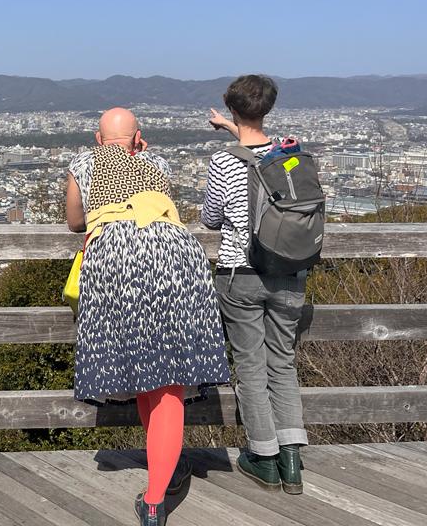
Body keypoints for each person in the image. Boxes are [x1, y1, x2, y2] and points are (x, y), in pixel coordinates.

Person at [65, 108, 230, 526]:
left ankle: (156, 494)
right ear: (139, 138)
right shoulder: (157, 163)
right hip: (175, 257)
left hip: (115, 260)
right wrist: (140, 152)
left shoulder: (83, 163)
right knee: (167, 381)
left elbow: (74, 222)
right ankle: (161, 485)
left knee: (143, 369)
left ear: (98, 138)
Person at [202, 74, 308, 494]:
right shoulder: (289, 155)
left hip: (241, 275)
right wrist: (234, 128)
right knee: (282, 363)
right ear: (269, 108)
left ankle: (263, 458)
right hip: (289, 274)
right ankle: (292, 461)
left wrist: (230, 132)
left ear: (232, 109)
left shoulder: (224, 162)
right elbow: (260, 152)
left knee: (250, 366)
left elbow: (211, 218)